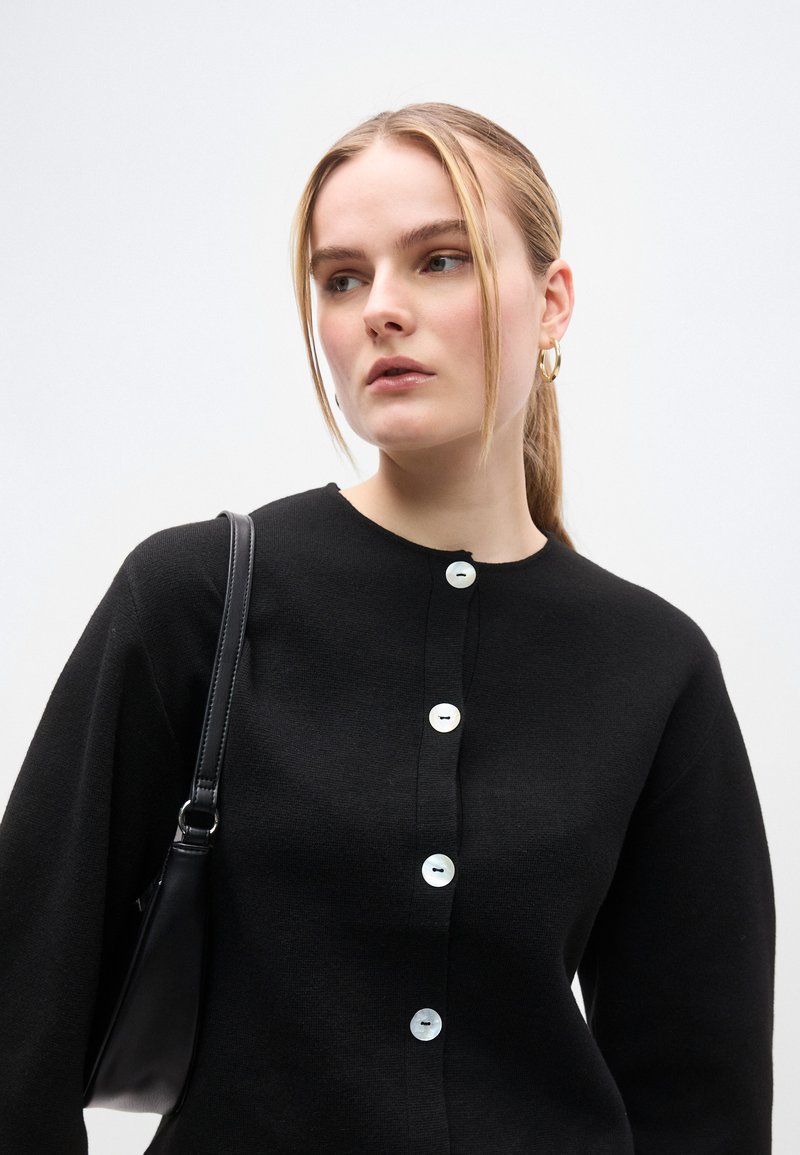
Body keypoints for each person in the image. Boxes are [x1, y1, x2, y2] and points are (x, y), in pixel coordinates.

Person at [0, 102, 774, 1153]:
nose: (381, 311)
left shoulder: (653, 665)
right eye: (341, 278)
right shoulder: (195, 599)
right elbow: (22, 1014)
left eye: (440, 260)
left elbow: (701, 1102)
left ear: (552, 302)